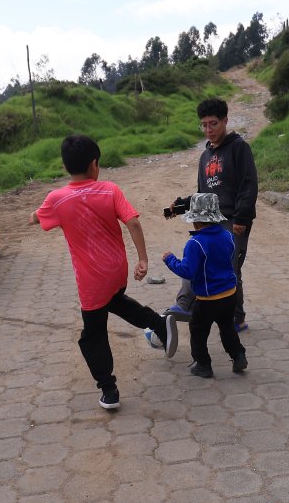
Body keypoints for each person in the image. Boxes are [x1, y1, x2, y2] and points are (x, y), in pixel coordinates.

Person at [30, 134, 178, 410]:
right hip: (116, 270)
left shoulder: (56, 199)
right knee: (116, 301)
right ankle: (158, 323)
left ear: (65, 168)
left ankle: (109, 391)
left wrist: (36, 214)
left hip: (91, 280)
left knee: (93, 334)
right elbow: (133, 223)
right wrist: (142, 259)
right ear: (94, 164)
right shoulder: (110, 190)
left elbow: (37, 219)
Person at [163, 98, 257, 330]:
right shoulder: (205, 156)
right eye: (203, 125)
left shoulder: (238, 148)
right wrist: (183, 205)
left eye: (213, 124)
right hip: (211, 220)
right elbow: (203, 193)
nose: (208, 130)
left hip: (234, 220)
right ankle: (185, 305)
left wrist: (242, 219)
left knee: (231, 268)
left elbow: (249, 184)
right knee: (199, 255)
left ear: (225, 120)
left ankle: (236, 319)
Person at [161, 193, 247, 378]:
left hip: (208, 299)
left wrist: (170, 260)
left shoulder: (195, 243)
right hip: (230, 294)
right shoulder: (227, 235)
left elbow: (187, 271)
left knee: (198, 331)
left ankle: (203, 364)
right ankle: (238, 355)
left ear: (196, 221)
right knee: (227, 328)